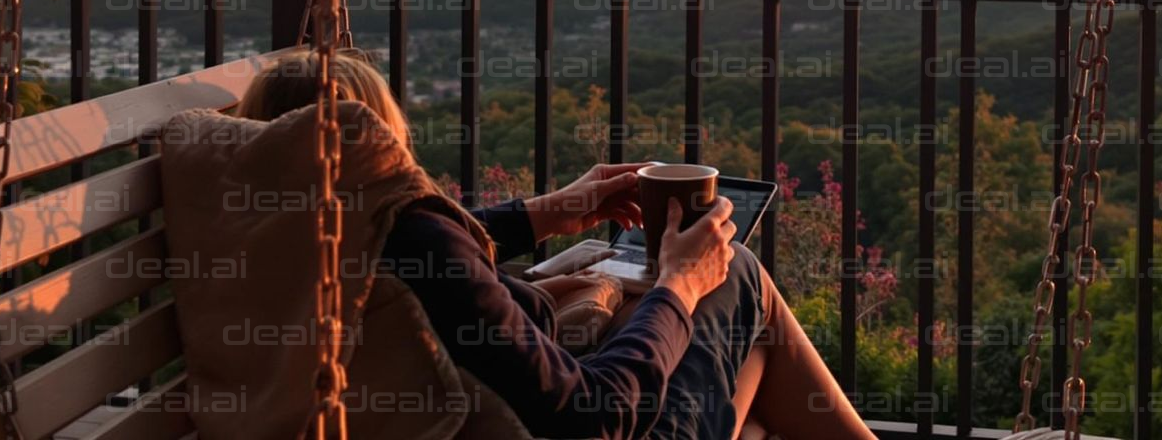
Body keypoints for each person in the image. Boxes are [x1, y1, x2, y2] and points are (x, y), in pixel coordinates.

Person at [236, 49, 876, 440]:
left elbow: (438, 248)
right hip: (605, 426)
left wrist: (547, 213)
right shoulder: (417, 243)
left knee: (745, 355)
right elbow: (590, 417)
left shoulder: (280, 234)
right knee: (733, 273)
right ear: (378, 143)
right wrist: (679, 285)